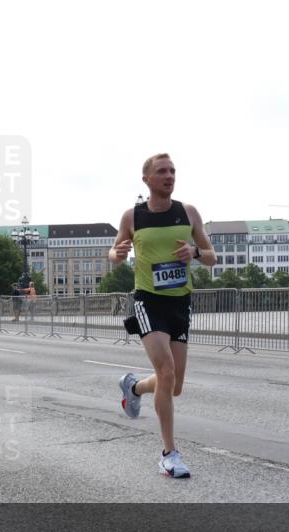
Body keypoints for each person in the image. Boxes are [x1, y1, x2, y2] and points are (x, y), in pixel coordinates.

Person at [109, 152, 216, 479]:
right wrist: (119, 252)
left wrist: (195, 252)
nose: (169, 176)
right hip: (148, 301)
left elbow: (212, 256)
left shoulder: (188, 212)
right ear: (147, 179)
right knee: (166, 371)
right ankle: (169, 454)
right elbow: (113, 253)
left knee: (174, 385)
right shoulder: (133, 216)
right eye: (162, 172)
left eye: (172, 171)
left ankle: (135, 387)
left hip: (179, 304)